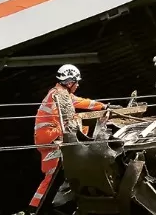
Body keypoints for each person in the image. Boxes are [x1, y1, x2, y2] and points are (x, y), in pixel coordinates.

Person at [29, 64, 108, 210]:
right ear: (70, 82)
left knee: (51, 176)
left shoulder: (60, 93)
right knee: (51, 177)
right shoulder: (59, 95)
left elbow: (82, 102)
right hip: (50, 137)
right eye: (76, 82)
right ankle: (34, 209)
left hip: (47, 137)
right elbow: (68, 117)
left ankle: (35, 208)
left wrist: (103, 106)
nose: (77, 85)